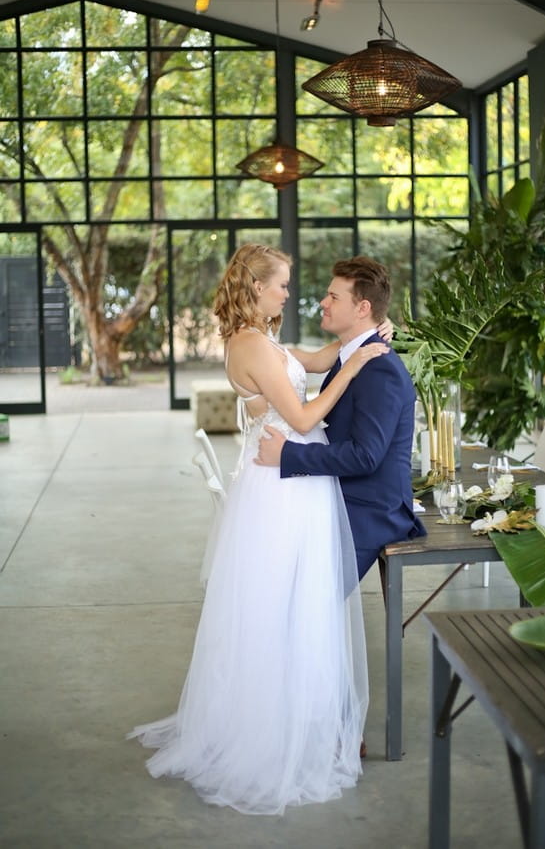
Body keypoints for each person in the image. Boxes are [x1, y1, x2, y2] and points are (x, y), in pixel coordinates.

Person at [128, 243, 390, 816]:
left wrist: (365, 340)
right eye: (281, 285)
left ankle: (302, 714)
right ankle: (278, 731)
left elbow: (314, 361)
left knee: (295, 603)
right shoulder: (250, 343)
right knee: (284, 605)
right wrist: (356, 366)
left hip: (289, 477)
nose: (289, 293)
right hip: (281, 488)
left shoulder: (262, 341)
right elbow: (301, 417)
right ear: (255, 287)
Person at [256, 256, 426, 581]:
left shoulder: (379, 369)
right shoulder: (351, 355)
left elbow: (365, 456)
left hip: (369, 509)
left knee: (296, 585)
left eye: (333, 297)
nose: (323, 302)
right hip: (340, 492)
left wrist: (287, 455)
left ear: (362, 309)